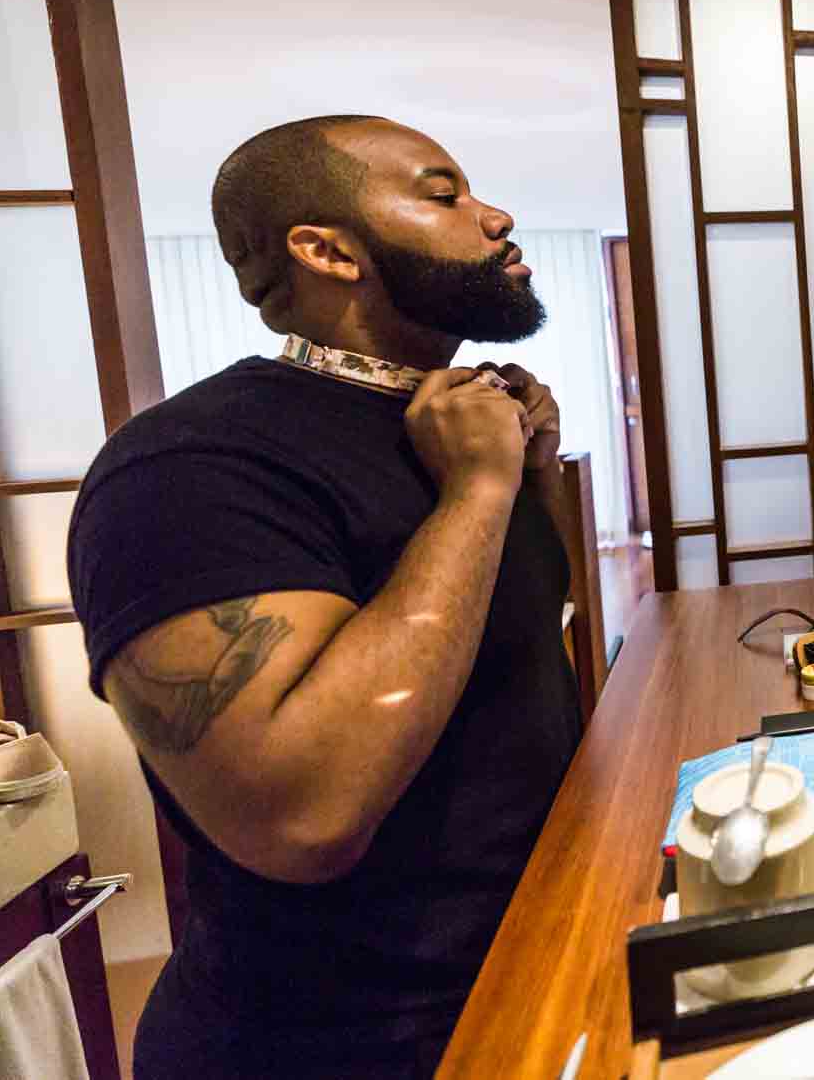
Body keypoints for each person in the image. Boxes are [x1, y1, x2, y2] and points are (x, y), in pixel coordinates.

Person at [67, 116, 582, 1077]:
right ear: (328, 248)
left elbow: (514, 675)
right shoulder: (187, 465)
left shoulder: (460, 419)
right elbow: (305, 810)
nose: (496, 215)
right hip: (348, 1045)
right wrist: (476, 493)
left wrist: (528, 478)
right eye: (444, 194)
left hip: (535, 971)